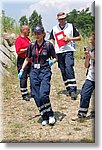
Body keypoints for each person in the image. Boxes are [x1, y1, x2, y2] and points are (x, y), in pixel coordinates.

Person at [18, 25, 57, 126]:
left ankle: (50, 114)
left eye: (39, 33)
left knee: (43, 94)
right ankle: (44, 115)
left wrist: (52, 62)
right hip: (34, 71)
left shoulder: (48, 45)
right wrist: (22, 70)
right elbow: (27, 58)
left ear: (43, 34)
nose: (37, 35)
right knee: (35, 95)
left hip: (45, 71)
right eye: (35, 33)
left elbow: (55, 57)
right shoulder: (31, 45)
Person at [50, 12, 81, 100]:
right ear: (58, 20)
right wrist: (51, 46)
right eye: (60, 19)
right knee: (63, 70)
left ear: (65, 19)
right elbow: (52, 39)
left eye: (63, 19)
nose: (61, 21)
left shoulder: (71, 26)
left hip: (69, 50)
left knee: (69, 68)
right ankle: (68, 87)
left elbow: (79, 37)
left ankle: (73, 90)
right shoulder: (54, 28)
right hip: (59, 52)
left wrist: (70, 39)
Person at [72, 32, 95, 120]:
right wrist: (87, 57)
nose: (90, 41)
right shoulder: (91, 51)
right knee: (85, 94)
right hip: (91, 77)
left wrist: (91, 56)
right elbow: (86, 66)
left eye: (92, 40)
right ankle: (81, 114)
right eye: (90, 40)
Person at [15, 25, 31, 101]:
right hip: (22, 60)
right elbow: (18, 51)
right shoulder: (19, 39)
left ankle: (33, 91)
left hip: (29, 60)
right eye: (28, 30)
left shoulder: (27, 39)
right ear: (24, 30)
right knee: (23, 77)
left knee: (32, 76)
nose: (29, 32)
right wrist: (27, 49)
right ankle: (24, 94)